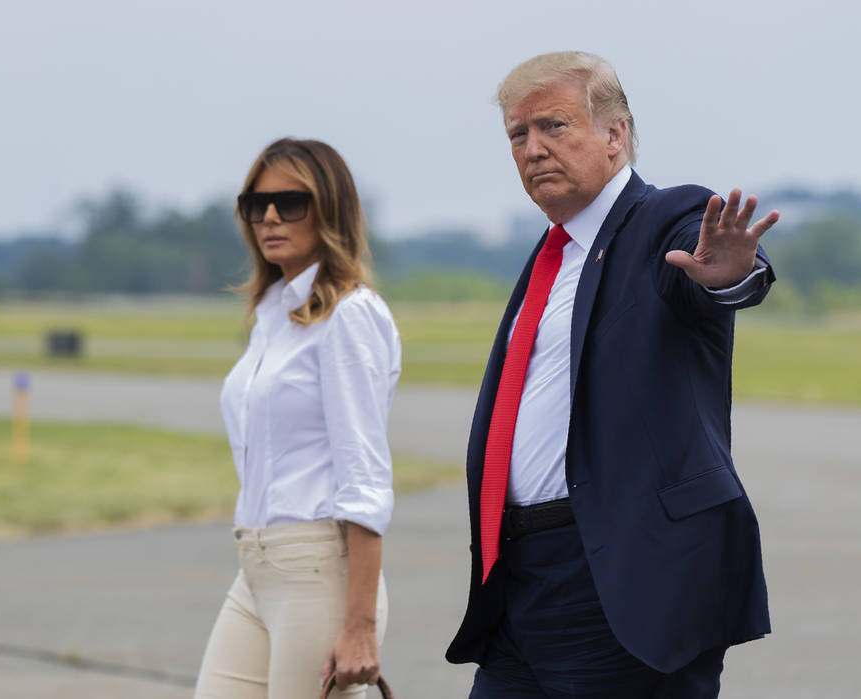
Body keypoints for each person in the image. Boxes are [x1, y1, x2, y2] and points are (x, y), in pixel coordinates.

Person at [446, 51, 780, 697]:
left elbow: (717, 266)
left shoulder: (664, 219)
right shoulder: (551, 256)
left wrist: (731, 272)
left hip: (621, 583)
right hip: (520, 586)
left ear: (615, 133)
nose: (534, 148)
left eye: (554, 126)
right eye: (519, 134)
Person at [194, 138, 400, 699]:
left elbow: (365, 479)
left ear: (330, 209)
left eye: (290, 202)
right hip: (256, 568)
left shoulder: (349, 317)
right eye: (254, 205)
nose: (268, 217)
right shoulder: (273, 314)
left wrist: (358, 625)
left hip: (319, 575)